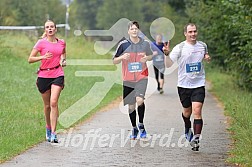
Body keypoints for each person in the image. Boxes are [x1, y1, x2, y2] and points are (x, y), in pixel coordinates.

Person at [164, 23, 211, 151]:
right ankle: (186, 127)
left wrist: (206, 57)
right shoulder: (180, 48)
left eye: (194, 31)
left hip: (198, 84)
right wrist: (166, 54)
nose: (193, 34)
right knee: (187, 112)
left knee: (197, 111)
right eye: (190, 32)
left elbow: (205, 54)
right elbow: (168, 65)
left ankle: (196, 139)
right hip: (184, 85)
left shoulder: (203, 45)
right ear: (185, 33)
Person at [113, 21, 153, 140]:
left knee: (139, 100)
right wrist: (122, 57)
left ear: (138, 31)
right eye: (132, 29)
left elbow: (151, 55)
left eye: (136, 29)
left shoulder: (145, 44)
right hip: (128, 79)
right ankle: (134, 128)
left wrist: (147, 58)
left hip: (142, 77)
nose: (134, 31)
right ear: (128, 31)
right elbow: (114, 60)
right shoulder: (123, 44)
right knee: (131, 106)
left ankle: (141, 124)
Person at [28, 20, 66, 143]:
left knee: (54, 102)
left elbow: (63, 53)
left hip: (57, 74)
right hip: (44, 75)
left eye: (51, 27)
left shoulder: (61, 43)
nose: (50, 29)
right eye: (47, 27)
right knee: (47, 105)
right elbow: (30, 59)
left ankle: (54, 133)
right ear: (45, 30)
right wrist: (42, 57)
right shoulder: (41, 43)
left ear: (55, 29)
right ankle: (48, 128)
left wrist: (63, 60)